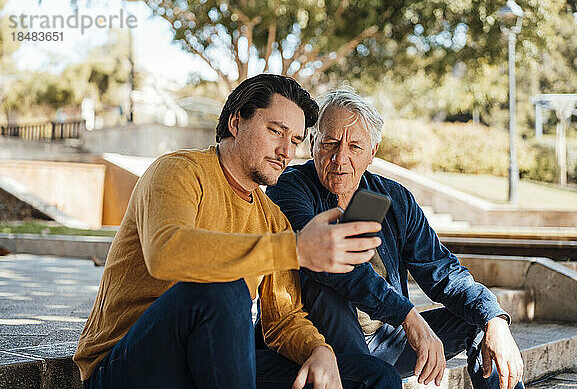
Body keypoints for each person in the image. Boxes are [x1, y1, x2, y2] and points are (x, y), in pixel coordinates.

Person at [73, 75, 401, 389]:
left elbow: (284, 319)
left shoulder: (271, 218)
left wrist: (319, 351)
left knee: (374, 375)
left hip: (212, 364)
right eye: (276, 131)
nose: (286, 151)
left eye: (296, 141)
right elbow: (166, 252)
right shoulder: (178, 171)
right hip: (128, 364)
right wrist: (296, 249)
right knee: (224, 287)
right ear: (235, 122)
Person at [266, 88, 525, 389]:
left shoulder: (394, 198)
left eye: (355, 147)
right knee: (328, 288)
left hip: (388, 339)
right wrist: (408, 316)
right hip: (324, 344)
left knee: (478, 322)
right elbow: (333, 264)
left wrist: (494, 318)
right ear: (313, 144)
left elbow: (443, 271)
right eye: (330, 143)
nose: (341, 158)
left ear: (373, 152)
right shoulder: (290, 189)